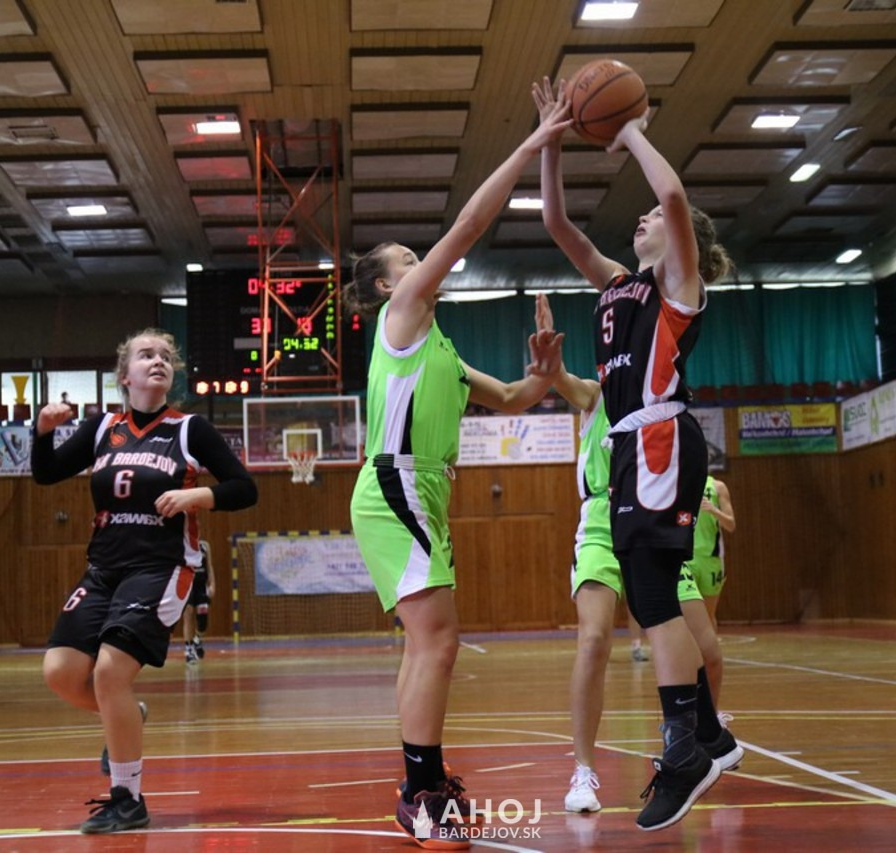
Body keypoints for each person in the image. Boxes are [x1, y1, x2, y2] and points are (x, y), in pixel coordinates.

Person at [346, 91, 572, 850]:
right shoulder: (403, 315)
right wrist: (533, 143)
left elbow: (509, 397)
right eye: (409, 261)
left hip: (419, 489)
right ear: (388, 285)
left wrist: (545, 373)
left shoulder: (437, 345)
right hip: (397, 482)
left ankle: (422, 782)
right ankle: (421, 794)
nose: (422, 263)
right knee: (438, 639)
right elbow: (469, 225)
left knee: (428, 642)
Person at [534, 77, 735, 831]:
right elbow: (557, 223)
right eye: (642, 215)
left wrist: (631, 131)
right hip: (629, 448)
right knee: (650, 598)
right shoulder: (619, 285)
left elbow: (673, 196)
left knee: (652, 601)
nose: (643, 216)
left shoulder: (678, 285)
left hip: (659, 438)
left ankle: (686, 748)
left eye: (651, 219)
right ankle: (705, 734)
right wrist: (552, 139)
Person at [31, 328, 257, 834]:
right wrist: (42, 431)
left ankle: (127, 799)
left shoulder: (189, 430)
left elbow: (245, 488)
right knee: (61, 672)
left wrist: (198, 497)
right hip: (104, 569)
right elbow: (45, 474)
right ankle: (129, 714)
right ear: (124, 375)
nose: (157, 362)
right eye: (146, 355)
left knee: (109, 672)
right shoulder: (102, 428)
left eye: (165, 357)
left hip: (161, 567)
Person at [530, 295, 740, 816]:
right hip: (603, 523)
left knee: (708, 649)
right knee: (594, 639)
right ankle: (583, 770)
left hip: (652, 515)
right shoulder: (600, 393)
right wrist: (552, 367)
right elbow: (567, 384)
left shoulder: (660, 399)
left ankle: (694, 740)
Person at [686, 477, 736, 632]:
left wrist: (713, 510)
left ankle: (709, 647)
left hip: (711, 558)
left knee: (708, 615)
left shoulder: (717, 487)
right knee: (686, 614)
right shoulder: (680, 483)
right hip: (685, 557)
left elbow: (731, 525)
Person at [182, 540, 215, 663]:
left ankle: (197, 639)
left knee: (203, 618)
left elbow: (209, 566)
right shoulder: (182, 542)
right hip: (187, 584)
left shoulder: (204, 545)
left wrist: (212, 584)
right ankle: (188, 650)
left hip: (201, 585)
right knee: (188, 613)